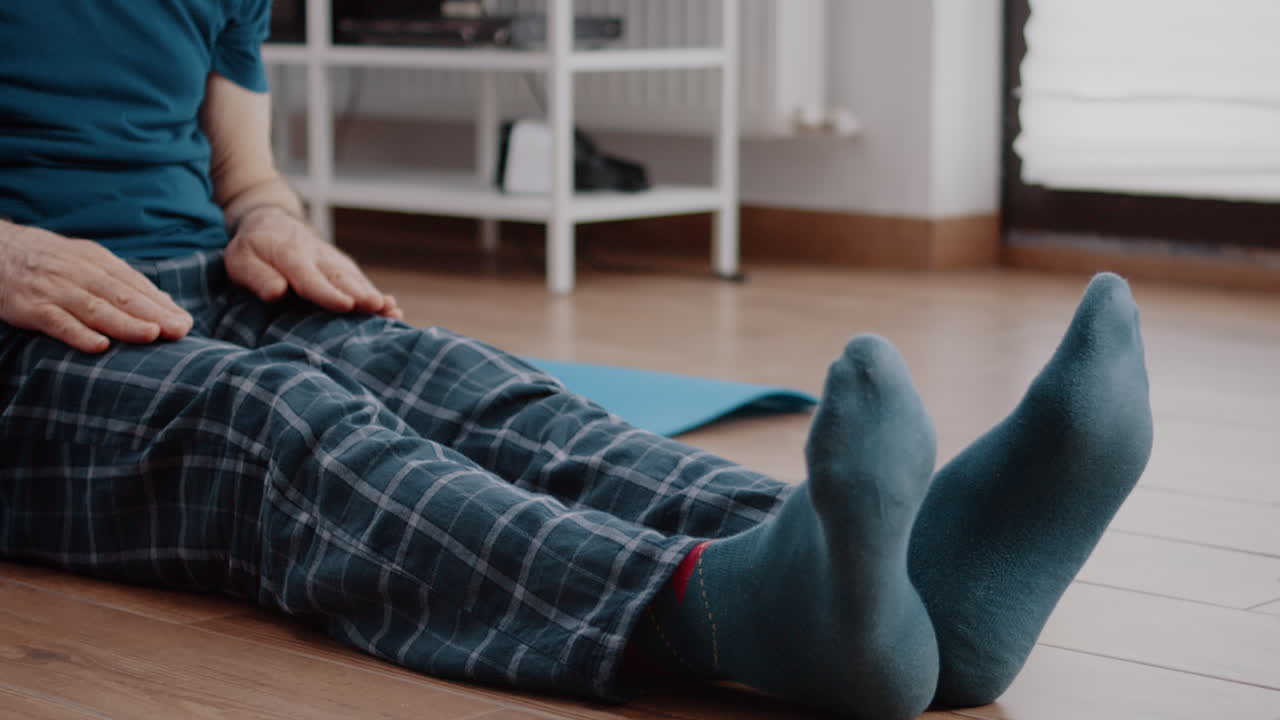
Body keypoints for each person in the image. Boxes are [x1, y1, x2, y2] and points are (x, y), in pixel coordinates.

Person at [0, 4, 1154, 719]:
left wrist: (269, 217)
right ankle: (718, 613)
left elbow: (243, 170)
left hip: (195, 274)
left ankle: (906, 583)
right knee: (277, 420)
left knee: (466, 386)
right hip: (19, 329)